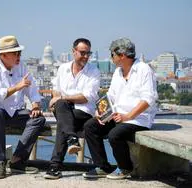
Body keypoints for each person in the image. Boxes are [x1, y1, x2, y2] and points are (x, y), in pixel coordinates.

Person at [82, 38, 158, 180]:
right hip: (117, 116)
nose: (111, 58)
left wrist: (128, 116)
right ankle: (103, 167)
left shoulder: (143, 69)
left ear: (122, 55)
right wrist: (101, 111)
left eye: (112, 55)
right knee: (90, 126)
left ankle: (125, 168)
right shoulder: (118, 72)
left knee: (115, 135)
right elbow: (110, 96)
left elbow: (149, 99)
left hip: (138, 119)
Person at [0, 35, 46, 179]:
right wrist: (16, 87)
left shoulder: (21, 67)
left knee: (38, 119)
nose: (19, 56)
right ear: (3, 55)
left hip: (12, 112)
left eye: (19, 53)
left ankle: (17, 161)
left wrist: (36, 105)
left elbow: (32, 89)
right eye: (15, 53)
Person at [43, 38, 101, 179]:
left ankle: (54, 167)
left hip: (83, 112)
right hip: (64, 111)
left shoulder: (94, 71)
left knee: (63, 120)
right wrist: (59, 97)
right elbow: (56, 90)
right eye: (82, 53)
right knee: (63, 107)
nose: (86, 56)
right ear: (73, 52)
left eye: (88, 53)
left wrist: (62, 97)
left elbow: (86, 97)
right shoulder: (63, 68)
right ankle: (71, 140)